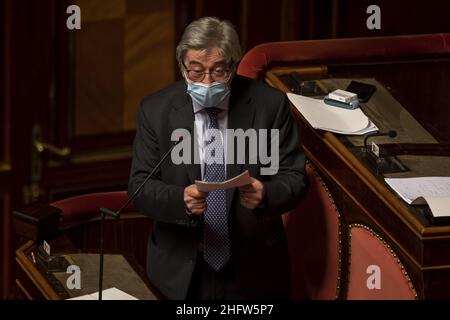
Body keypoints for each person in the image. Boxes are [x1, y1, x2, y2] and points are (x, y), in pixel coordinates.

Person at [128, 16, 308, 300]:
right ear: (182, 67)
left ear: (234, 66)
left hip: (253, 266)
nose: (207, 82)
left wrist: (266, 193)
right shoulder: (155, 110)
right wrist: (181, 199)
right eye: (196, 72)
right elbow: (140, 188)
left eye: (219, 71)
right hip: (179, 268)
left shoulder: (269, 106)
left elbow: (295, 178)